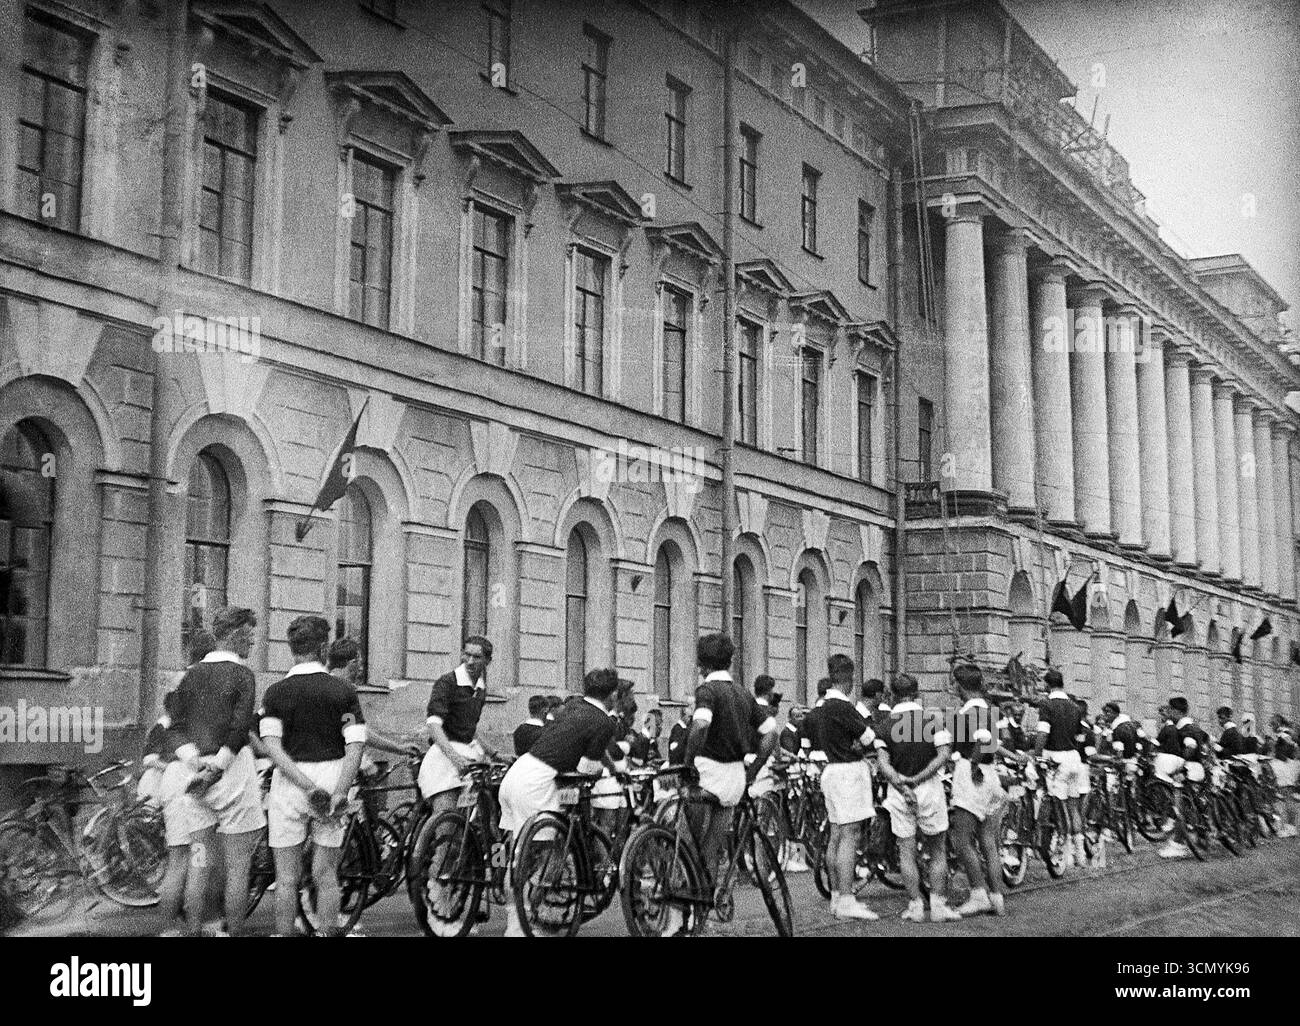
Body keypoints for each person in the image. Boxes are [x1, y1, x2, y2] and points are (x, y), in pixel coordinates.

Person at [157, 606, 265, 937]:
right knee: (236, 869)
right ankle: (230, 934)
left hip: (195, 782)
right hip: (232, 777)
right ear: (233, 635)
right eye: (248, 635)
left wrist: (194, 763)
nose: (251, 643)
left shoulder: (191, 675)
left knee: (200, 863)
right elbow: (239, 726)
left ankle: (191, 932)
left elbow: (174, 728)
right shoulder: (243, 675)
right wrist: (216, 767)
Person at [259, 615, 367, 937]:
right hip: (333, 774)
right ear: (323, 647)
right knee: (326, 873)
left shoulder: (275, 693)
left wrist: (306, 785)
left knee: (287, 877)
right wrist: (339, 792)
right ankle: (325, 932)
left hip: (291, 783)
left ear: (292, 648)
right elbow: (356, 744)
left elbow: (272, 748)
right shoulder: (343, 691)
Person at [497, 667, 623, 936]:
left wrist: (606, 765)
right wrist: (605, 771)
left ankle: (516, 917)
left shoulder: (572, 709)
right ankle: (522, 923)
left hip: (517, 775)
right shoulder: (604, 721)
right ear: (613, 695)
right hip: (537, 785)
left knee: (518, 855)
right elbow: (587, 768)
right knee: (550, 853)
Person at [682, 633, 778, 906]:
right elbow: (771, 733)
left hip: (707, 772)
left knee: (689, 841)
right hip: (734, 777)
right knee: (713, 846)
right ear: (731, 662)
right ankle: (703, 905)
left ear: (701, 665)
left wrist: (688, 764)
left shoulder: (707, 691)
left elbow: (700, 725)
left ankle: (681, 908)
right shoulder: (742, 693)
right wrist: (754, 770)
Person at [874, 673, 960, 923]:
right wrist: (919, 778)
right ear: (917, 693)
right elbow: (944, 754)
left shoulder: (884, 725)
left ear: (892, 696)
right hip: (930, 788)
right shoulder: (932, 719)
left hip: (899, 792)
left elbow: (883, 763)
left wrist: (902, 783)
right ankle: (938, 904)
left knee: (906, 851)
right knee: (937, 849)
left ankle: (914, 905)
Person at [800, 674, 878, 920]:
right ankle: (846, 897)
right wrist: (858, 744)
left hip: (830, 771)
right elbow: (869, 738)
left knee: (835, 835)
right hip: (848, 773)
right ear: (850, 679)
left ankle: (836, 894)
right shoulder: (843, 707)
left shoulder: (818, 710)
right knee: (850, 835)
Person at [948, 662, 1009, 916]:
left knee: (961, 839)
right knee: (987, 841)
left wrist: (973, 762)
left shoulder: (968, 713)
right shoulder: (991, 710)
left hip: (970, 774)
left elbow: (982, 740)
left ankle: (978, 893)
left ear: (960, 686)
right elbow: (993, 743)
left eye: (954, 683)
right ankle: (996, 897)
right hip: (991, 774)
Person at [418, 636, 498, 818]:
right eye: (467, 654)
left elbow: (468, 728)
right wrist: (454, 757)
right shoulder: (448, 683)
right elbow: (434, 725)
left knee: (476, 820)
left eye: (477, 657)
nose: (470, 661)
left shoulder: (480, 689)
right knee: (447, 823)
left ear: (488, 660)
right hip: (443, 760)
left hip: (469, 761)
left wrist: (494, 753)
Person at [327, 638, 420, 763]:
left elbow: (357, 729)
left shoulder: (323, 686)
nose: (360, 670)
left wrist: (398, 748)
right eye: (359, 664)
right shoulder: (343, 690)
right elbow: (355, 736)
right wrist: (365, 764)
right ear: (352, 663)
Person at [1032, 669, 1087, 871]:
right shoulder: (1075, 706)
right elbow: (1080, 738)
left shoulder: (1047, 704)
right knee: (1073, 807)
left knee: (1058, 806)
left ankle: (1066, 852)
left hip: (1056, 758)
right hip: (1075, 758)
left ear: (1047, 685)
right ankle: (1080, 852)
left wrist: (1037, 755)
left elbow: (1043, 732)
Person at [1267, 715, 1297, 836]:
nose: (1271, 727)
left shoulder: (1284, 733)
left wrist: (1275, 757)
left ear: (1278, 723)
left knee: (1288, 798)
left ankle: (1290, 828)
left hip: (1285, 768)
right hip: (1287, 767)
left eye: (1272, 724)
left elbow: (1287, 750)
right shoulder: (1286, 732)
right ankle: (1288, 827)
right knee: (1286, 798)